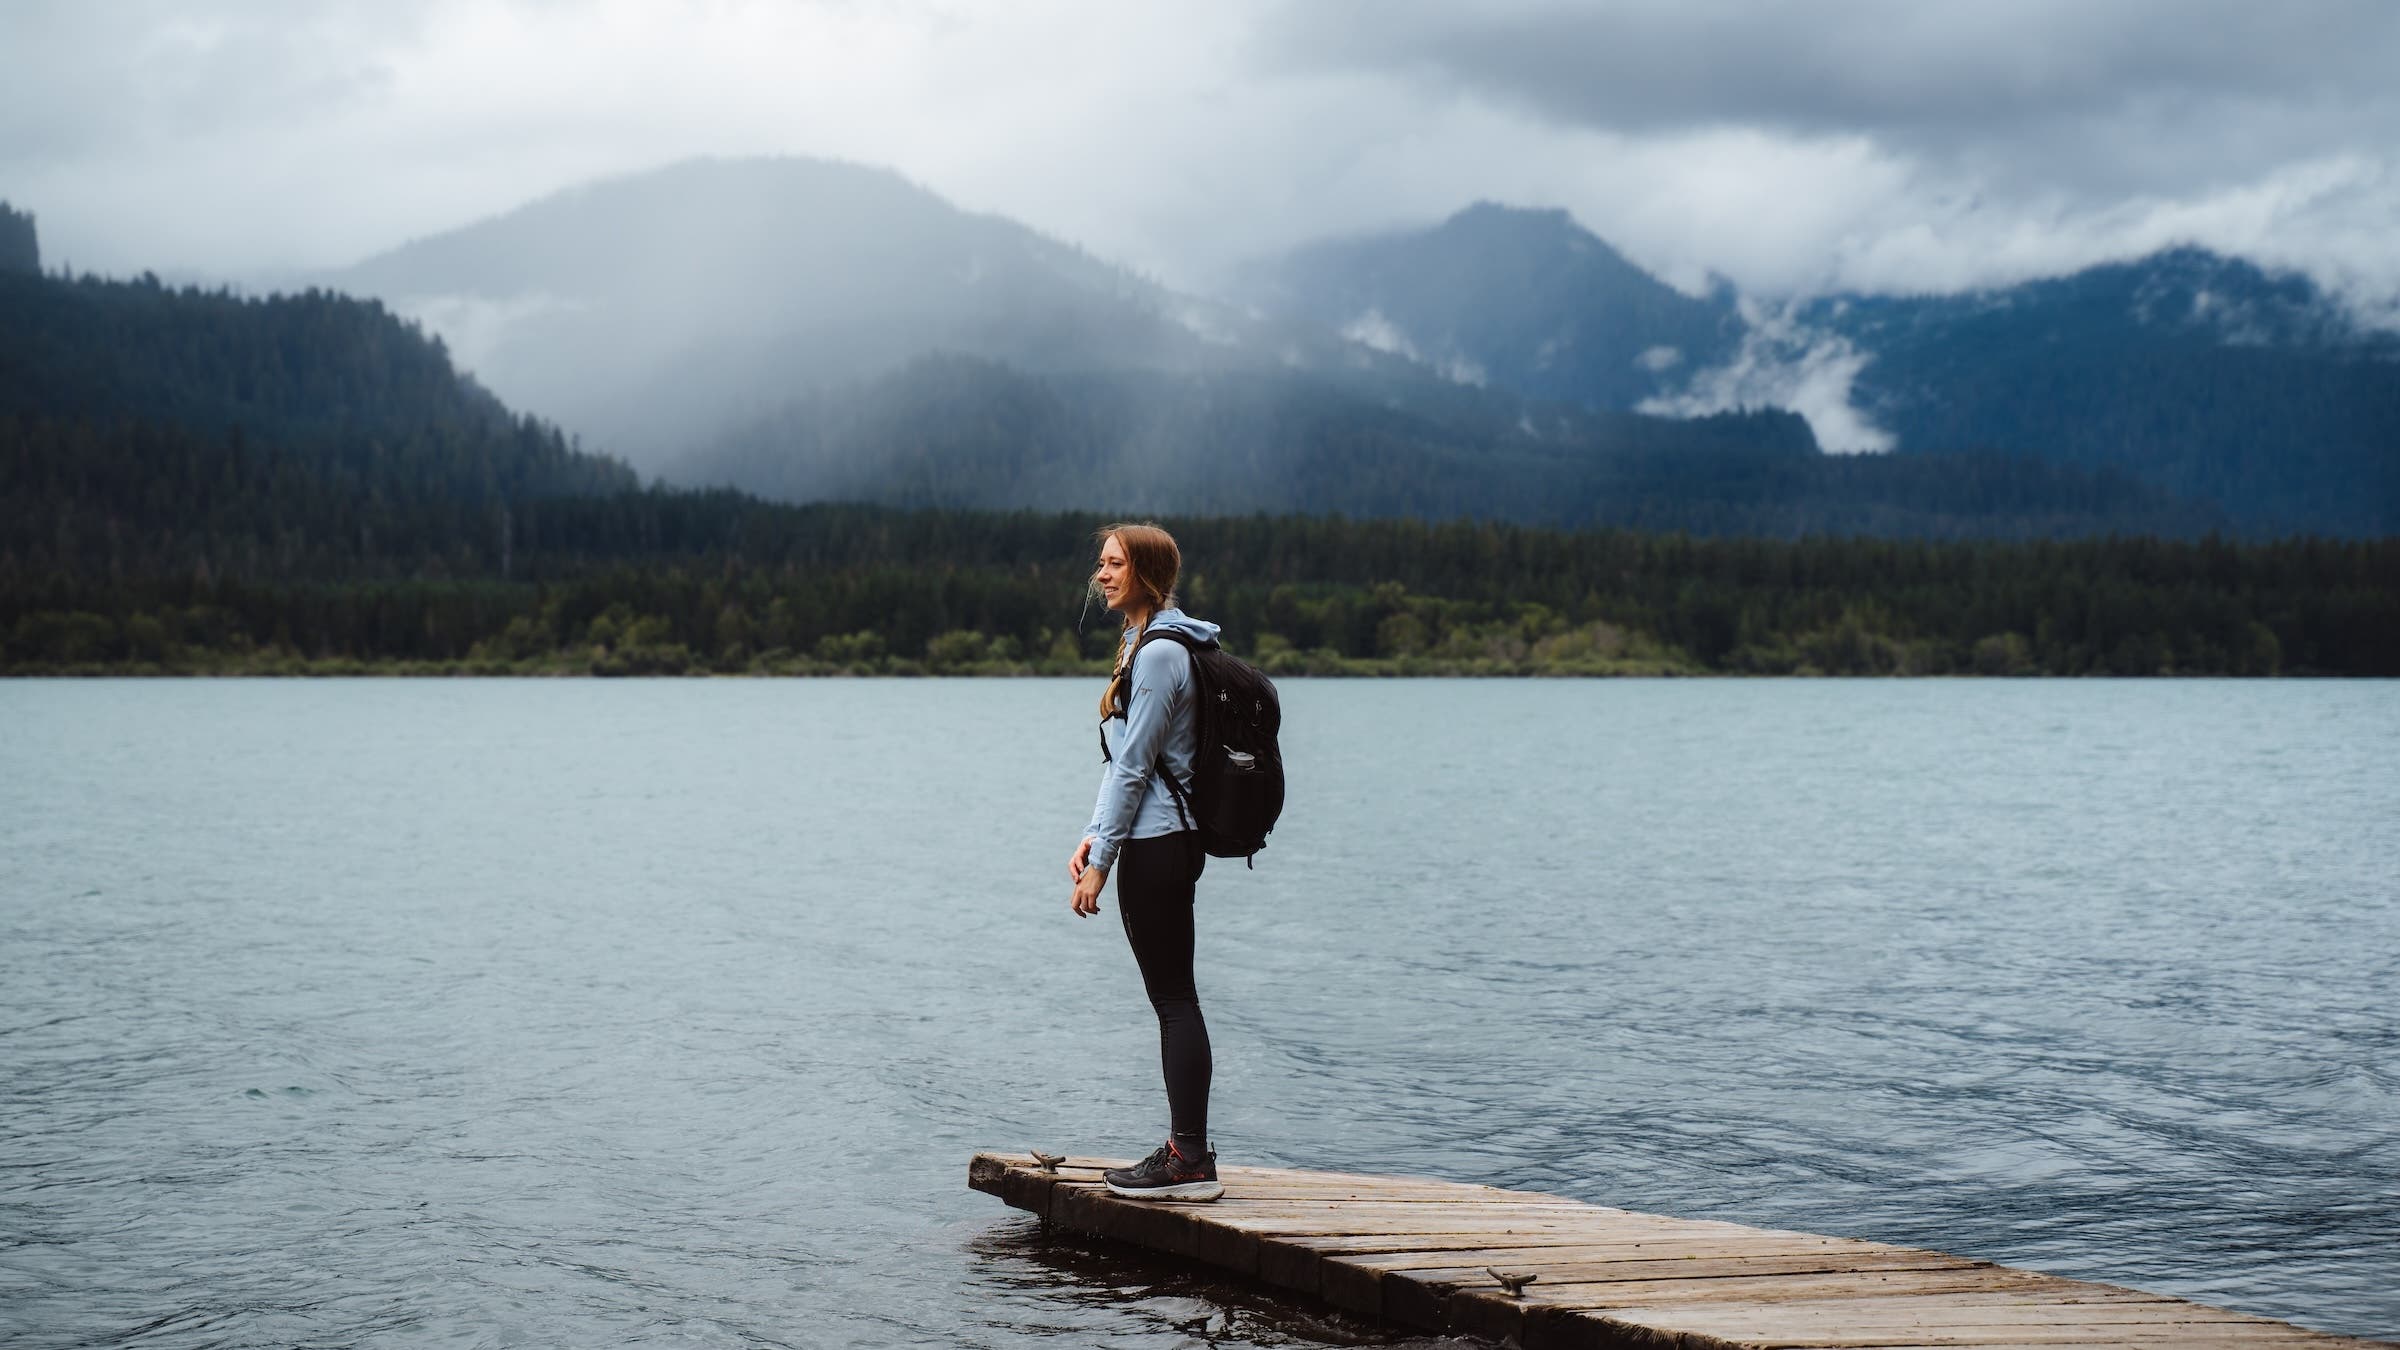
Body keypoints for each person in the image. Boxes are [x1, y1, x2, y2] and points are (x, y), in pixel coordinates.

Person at [1068, 522, 1224, 1201]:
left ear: (1147, 572)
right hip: (1155, 837)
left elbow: (1136, 768)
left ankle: (1187, 1157)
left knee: (1174, 998)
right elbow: (1127, 761)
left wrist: (1103, 859)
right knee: (1173, 996)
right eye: (1100, 564)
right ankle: (1186, 1151)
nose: (1101, 575)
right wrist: (1094, 833)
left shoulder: (1160, 653)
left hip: (1159, 844)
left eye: (1113, 564)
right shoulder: (1146, 642)